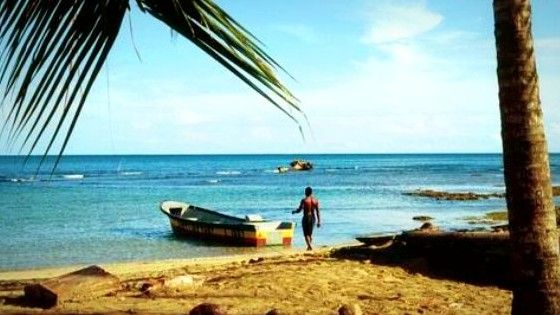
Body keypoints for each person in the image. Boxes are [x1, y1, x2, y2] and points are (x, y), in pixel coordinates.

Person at [292, 186, 321, 250]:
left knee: (306, 234)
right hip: (313, 218)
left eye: (305, 191)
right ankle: (309, 247)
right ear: (311, 192)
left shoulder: (304, 200)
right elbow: (318, 212)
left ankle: (309, 246)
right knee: (310, 234)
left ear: (306, 192)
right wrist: (319, 221)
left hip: (306, 217)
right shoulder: (315, 200)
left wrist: (294, 211)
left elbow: (300, 210)